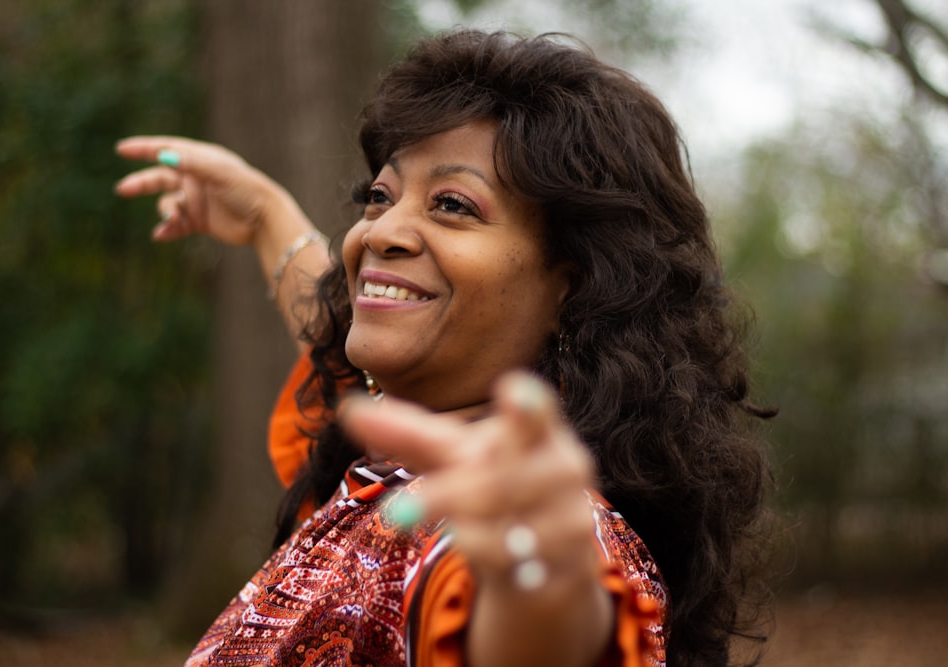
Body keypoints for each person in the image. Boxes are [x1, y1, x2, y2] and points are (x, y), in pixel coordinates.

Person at [115, 29, 774, 667]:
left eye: (453, 204)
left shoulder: (507, 528)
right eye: (380, 196)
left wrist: (545, 609)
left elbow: (535, 618)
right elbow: (341, 349)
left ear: (571, 290)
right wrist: (264, 215)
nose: (380, 232)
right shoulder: (386, 469)